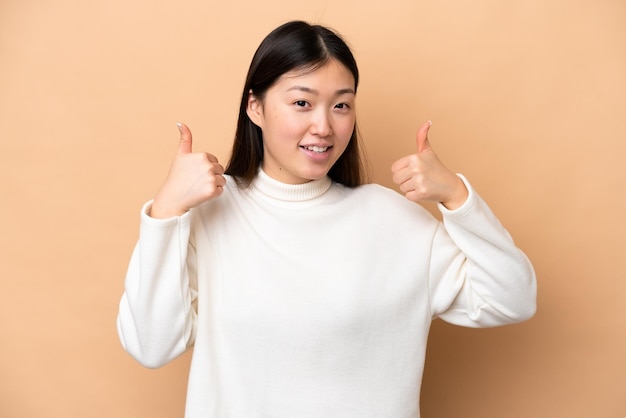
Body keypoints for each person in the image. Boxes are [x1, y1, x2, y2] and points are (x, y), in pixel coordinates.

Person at [117, 20, 537, 418]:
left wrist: (457, 197)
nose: (323, 126)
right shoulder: (208, 217)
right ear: (255, 107)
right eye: (302, 103)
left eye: (341, 105)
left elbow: (511, 298)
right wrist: (166, 210)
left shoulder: (393, 221)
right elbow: (151, 346)